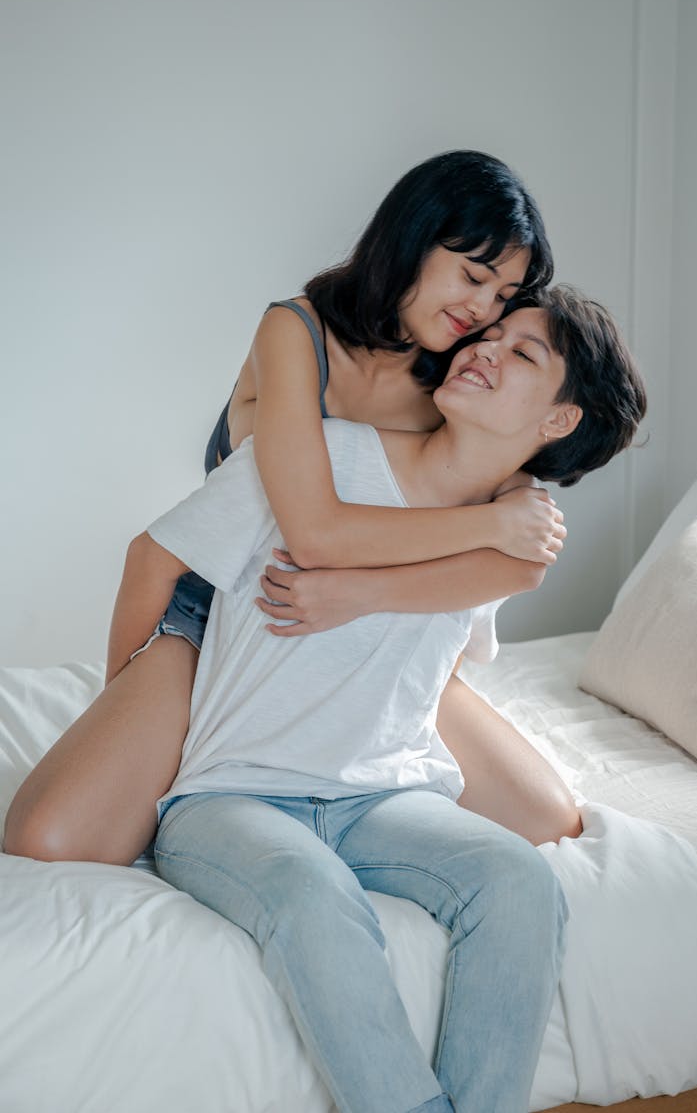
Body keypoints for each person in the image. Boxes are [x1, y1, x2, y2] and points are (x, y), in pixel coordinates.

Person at [97, 289, 644, 1113]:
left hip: (385, 796)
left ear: (559, 421)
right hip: (233, 794)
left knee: (520, 882)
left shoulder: (516, 531)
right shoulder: (310, 457)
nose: (484, 347)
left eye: (523, 352)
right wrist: (124, 717)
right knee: (314, 893)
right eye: (491, 332)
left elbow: (443, 665)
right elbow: (156, 559)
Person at [5, 151, 578, 867]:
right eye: (473, 276)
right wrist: (126, 709)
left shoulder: (452, 380)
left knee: (549, 820)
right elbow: (312, 530)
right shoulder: (298, 332)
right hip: (229, 607)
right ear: (413, 238)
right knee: (49, 839)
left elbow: (516, 551)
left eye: (503, 296)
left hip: (355, 627)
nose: (483, 310)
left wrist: (509, 509)